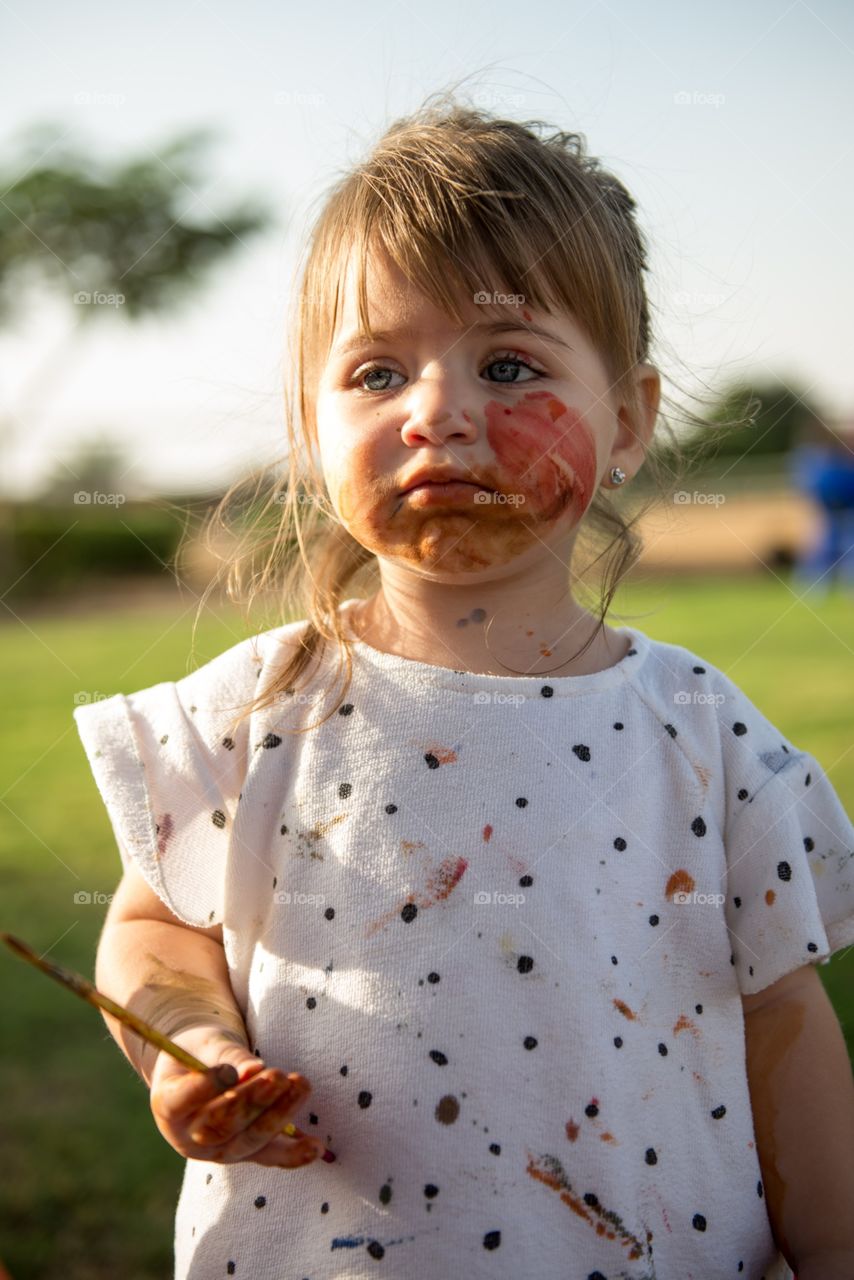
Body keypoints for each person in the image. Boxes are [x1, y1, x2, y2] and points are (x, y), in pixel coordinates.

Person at [74, 94, 854, 1280]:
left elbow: (783, 1019)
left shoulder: (703, 733)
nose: (436, 413)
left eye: (506, 363)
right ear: (309, 427)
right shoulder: (248, 712)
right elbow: (153, 929)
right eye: (377, 371)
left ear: (630, 418)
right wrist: (187, 1043)